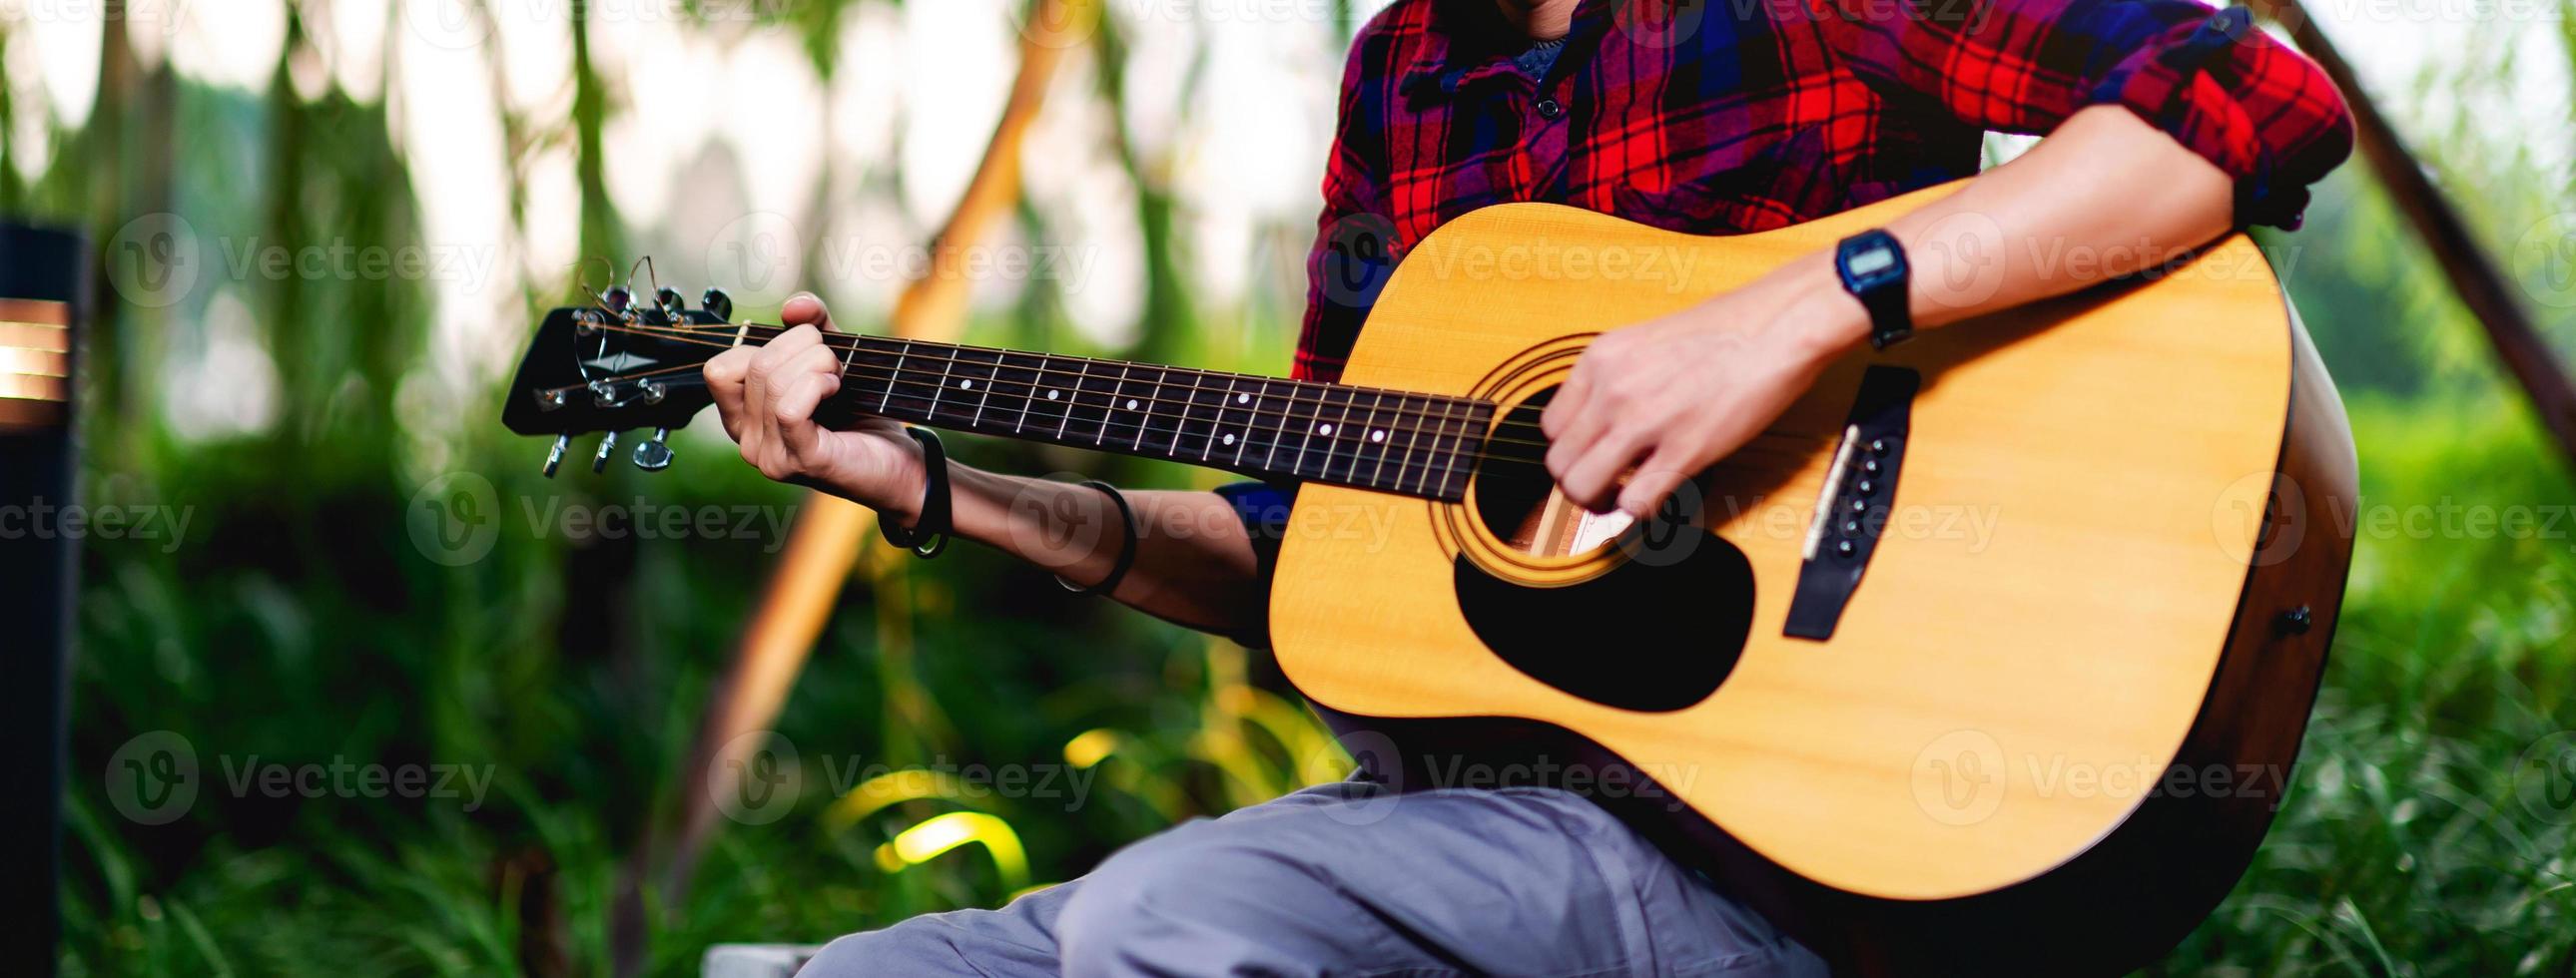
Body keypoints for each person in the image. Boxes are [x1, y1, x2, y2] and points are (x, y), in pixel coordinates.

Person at [706, 0, 2352, 972]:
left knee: (1177, 916)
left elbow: (2238, 104)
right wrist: (938, 487)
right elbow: (1304, 542)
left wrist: (1786, 316)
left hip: (1806, 847)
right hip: (1489, 824)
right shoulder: (1408, 67)